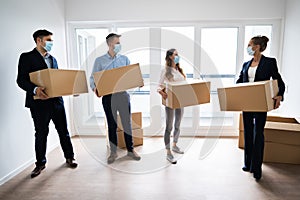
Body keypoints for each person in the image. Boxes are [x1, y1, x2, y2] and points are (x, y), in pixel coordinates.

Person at [16, 29, 78, 178]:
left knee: (64, 131)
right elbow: (21, 80)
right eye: (49, 40)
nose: (51, 43)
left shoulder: (53, 59)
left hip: (56, 102)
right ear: (39, 40)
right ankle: (40, 164)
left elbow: (55, 81)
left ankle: (69, 157)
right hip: (39, 104)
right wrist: (35, 90)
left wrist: (69, 89)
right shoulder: (26, 57)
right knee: (41, 133)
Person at [236, 35, 285, 181]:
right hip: (247, 103)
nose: (248, 48)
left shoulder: (269, 62)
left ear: (257, 47)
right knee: (248, 133)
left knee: (258, 134)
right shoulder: (246, 64)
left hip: (261, 102)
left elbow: (278, 80)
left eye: (250, 45)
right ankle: (248, 164)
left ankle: (257, 168)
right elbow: (239, 81)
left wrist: (279, 95)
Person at [90, 33, 141, 164]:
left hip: (123, 95)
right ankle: (113, 153)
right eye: (117, 43)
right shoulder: (99, 61)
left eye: (119, 43)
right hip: (108, 97)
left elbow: (131, 76)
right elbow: (92, 79)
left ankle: (131, 150)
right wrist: (95, 88)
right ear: (109, 44)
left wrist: (137, 81)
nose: (119, 45)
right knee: (112, 125)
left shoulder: (124, 59)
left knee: (127, 124)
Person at [157, 49, 186, 164]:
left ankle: (175, 145)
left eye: (178, 54)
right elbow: (159, 86)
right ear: (170, 57)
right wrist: (162, 92)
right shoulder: (165, 70)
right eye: (176, 54)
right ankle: (168, 153)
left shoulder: (179, 69)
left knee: (178, 124)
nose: (178, 56)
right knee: (169, 126)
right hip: (170, 101)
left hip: (181, 101)